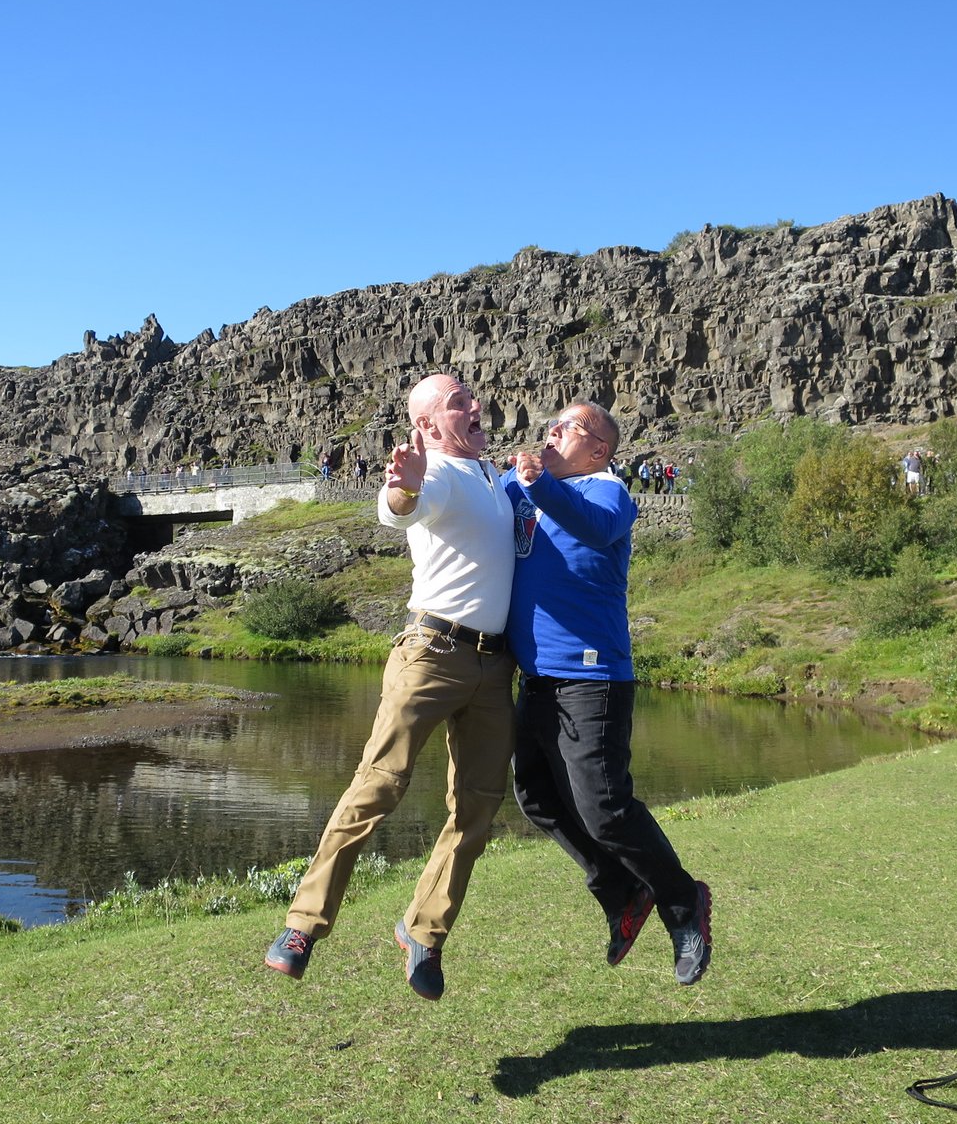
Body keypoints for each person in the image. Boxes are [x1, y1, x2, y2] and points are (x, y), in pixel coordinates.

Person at [265, 374, 515, 1000]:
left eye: (471, 396)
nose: (475, 405)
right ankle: (302, 926)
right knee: (379, 786)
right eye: (459, 402)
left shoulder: (496, 479)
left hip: (494, 667)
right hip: (431, 652)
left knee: (479, 808)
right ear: (427, 427)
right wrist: (401, 488)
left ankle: (423, 933)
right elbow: (401, 507)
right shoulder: (437, 475)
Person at [504, 401, 713, 985]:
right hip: (538, 678)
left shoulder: (607, 492)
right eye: (549, 426)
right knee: (537, 798)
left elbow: (591, 526)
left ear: (599, 448)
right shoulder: (522, 489)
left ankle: (682, 905)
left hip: (593, 678)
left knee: (605, 807)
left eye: (565, 429)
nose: (550, 433)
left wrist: (538, 480)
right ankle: (622, 893)